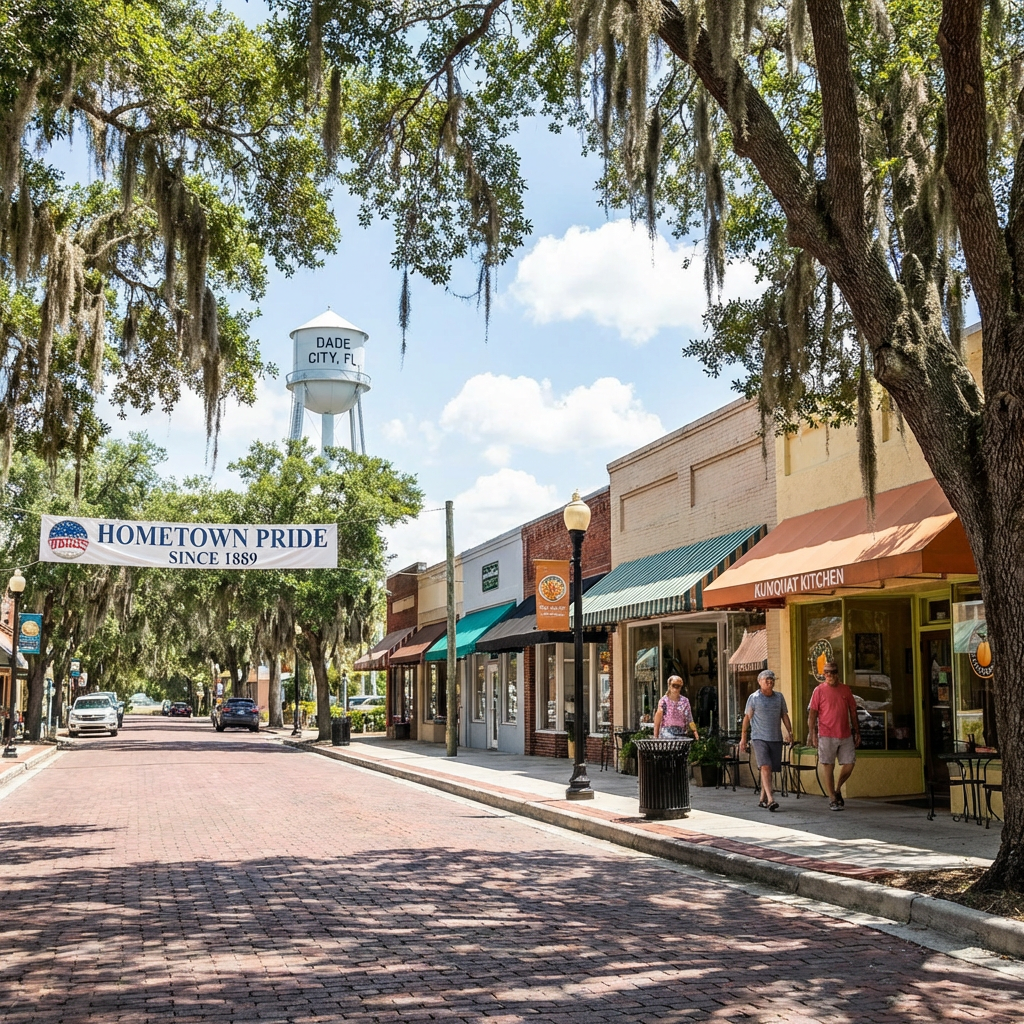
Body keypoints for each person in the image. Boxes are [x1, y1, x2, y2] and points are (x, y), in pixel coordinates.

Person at [807, 660, 860, 811]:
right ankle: (832, 798)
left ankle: (837, 789)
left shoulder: (845, 690)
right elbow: (812, 714)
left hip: (845, 733)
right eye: (826, 673)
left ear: (837, 674)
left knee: (849, 764)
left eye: (832, 673)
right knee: (828, 766)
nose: (829, 675)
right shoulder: (819, 690)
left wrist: (857, 731)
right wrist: (812, 734)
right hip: (826, 733)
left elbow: (853, 711)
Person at [739, 669, 793, 811]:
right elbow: (746, 718)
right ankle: (771, 800)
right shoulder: (754, 698)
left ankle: (762, 798)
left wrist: (790, 732)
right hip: (759, 738)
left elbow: (784, 715)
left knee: (769, 769)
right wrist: (743, 738)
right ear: (759, 682)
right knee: (765, 766)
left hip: (775, 738)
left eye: (772, 679)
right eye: (766, 680)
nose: (770, 682)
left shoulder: (779, 697)